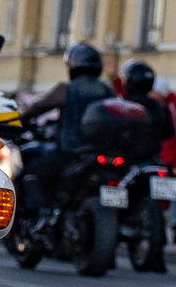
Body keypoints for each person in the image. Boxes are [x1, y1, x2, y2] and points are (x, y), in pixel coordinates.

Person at [18, 42, 114, 215]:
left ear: (73, 65)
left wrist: (18, 121)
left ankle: (39, 215)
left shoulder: (67, 90)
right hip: (102, 153)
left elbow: (38, 108)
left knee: (30, 172)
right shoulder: (107, 90)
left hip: (70, 152)